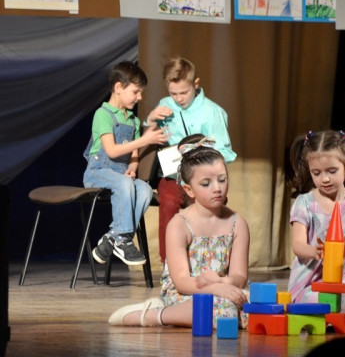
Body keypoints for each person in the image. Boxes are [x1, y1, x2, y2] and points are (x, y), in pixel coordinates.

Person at [108, 134, 250, 328]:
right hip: (187, 291)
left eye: (222, 180)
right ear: (189, 189)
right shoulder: (180, 224)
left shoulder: (237, 223)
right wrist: (214, 288)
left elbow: (240, 276)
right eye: (206, 183)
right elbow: (182, 281)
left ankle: (206, 310)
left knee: (256, 307)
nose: (217, 188)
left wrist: (222, 283)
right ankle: (156, 315)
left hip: (224, 287)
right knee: (223, 312)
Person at [145, 57, 236, 263]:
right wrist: (150, 120)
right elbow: (147, 139)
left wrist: (201, 151)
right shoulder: (164, 106)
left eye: (184, 92)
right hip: (172, 174)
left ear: (196, 84)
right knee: (169, 201)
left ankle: (206, 259)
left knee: (207, 204)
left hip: (202, 176)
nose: (178, 98)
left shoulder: (212, 112)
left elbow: (226, 151)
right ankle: (169, 262)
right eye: (173, 93)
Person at [83, 61, 169, 266]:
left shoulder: (133, 121)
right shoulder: (103, 115)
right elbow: (112, 151)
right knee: (124, 184)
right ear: (118, 87)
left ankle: (113, 237)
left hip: (122, 176)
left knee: (145, 190)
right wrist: (145, 140)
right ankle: (123, 239)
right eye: (136, 92)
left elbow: (134, 156)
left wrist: (132, 168)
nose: (140, 97)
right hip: (98, 171)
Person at [287, 129, 345, 325]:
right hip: (308, 284)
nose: (324, 179)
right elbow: (297, 245)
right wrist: (314, 251)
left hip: (340, 286)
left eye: (332, 171)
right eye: (316, 173)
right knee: (323, 305)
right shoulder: (304, 203)